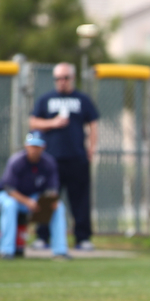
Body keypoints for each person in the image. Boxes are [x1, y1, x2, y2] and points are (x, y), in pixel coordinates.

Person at [29, 62, 99, 251]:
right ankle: (42, 237)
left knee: (80, 200)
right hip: (51, 160)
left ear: (72, 78)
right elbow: (33, 121)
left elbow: (93, 123)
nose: (62, 82)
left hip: (77, 158)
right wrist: (53, 123)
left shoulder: (82, 99)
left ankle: (82, 238)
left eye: (65, 78)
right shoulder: (46, 99)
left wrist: (91, 148)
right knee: (47, 198)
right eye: (58, 78)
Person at [0, 131, 70, 260]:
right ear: (26, 146)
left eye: (37, 146)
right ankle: (6, 251)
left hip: (34, 198)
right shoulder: (16, 161)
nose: (34, 149)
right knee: (10, 205)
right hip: (11, 197)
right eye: (32, 146)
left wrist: (50, 200)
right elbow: (9, 189)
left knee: (58, 207)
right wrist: (28, 202)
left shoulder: (49, 162)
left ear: (43, 147)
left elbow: (52, 189)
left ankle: (60, 251)